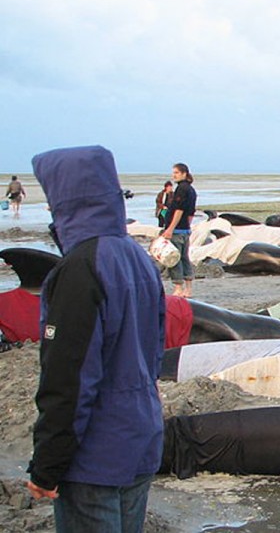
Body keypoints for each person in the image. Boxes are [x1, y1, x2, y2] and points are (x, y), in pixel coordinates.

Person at [27, 145, 165, 531]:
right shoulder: (137, 257)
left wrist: (47, 465)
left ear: (64, 199)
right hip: (141, 435)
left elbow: (69, 378)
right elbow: (154, 354)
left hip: (96, 454)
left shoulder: (81, 268)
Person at [162, 163, 198, 298]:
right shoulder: (191, 189)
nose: (174, 175)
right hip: (184, 229)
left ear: (184, 173)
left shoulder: (181, 189)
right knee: (184, 258)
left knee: (174, 258)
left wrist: (170, 228)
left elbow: (179, 210)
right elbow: (191, 212)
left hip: (177, 230)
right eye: (173, 173)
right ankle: (188, 289)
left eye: (176, 173)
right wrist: (187, 227)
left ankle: (178, 287)